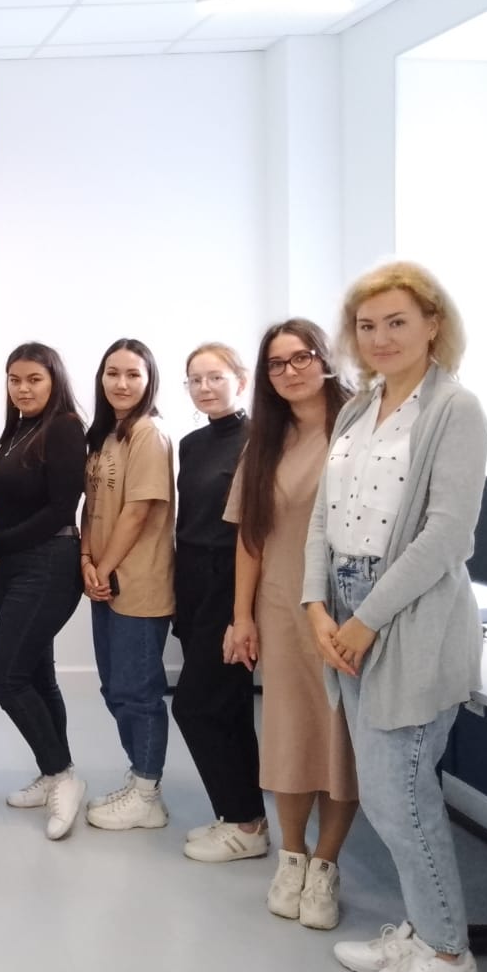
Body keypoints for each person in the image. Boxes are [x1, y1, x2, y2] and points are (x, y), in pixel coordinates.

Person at [305, 264, 485, 972]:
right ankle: (422, 928)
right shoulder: (358, 409)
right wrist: (316, 605)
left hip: (406, 617)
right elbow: (323, 517)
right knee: (385, 796)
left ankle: (448, 958)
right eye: (368, 325)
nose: (380, 338)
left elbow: (448, 534)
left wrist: (363, 620)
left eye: (398, 322)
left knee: (401, 799)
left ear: (433, 324)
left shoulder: (456, 410)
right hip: (344, 606)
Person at [224, 320, 358, 928]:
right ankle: (292, 856)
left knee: (339, 739)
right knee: (288, 732)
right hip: (281, 606)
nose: (290, 371)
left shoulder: (360, 426)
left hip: (347, 612)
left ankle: (326, 865)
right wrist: (241, 617)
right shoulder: (266, 442)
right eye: (277, 364)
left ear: (324, 358)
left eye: (301, 357)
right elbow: (250, 537)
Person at [0, 343, 90, 840]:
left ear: (54, 381)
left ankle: (63, 775)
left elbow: (60, 509)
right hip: (11, 568)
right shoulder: (18, 430)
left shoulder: (64, 427)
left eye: (34, 380)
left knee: (3, 678)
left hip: (47, 563)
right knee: (37, 674)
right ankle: (53, 774)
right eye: (15, 380)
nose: (23, 389)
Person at [172, 342, 267, 864]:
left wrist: (240, 612)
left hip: (230, 583)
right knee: (226, 706)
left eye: (215, 377)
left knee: (195, 705)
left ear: (241, 381)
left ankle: (245, 821)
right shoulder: (191, 444)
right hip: (191, 581)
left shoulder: (259, 441)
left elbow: (254, 532)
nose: (204, 387)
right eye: (195, 379)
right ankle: (241, 817)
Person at [81, 337, 176, 831]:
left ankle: (147, 794)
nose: (121, 383)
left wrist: (104, 567)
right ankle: (140, 778)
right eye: (112, 373)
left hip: (138, 583)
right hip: (105, 580)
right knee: (115, 687)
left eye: (133, 374)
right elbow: (91, 504)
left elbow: (138, 511)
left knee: (138, 692)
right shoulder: (106, 435)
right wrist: (86, 559)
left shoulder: (148, 434)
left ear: (149, 380)